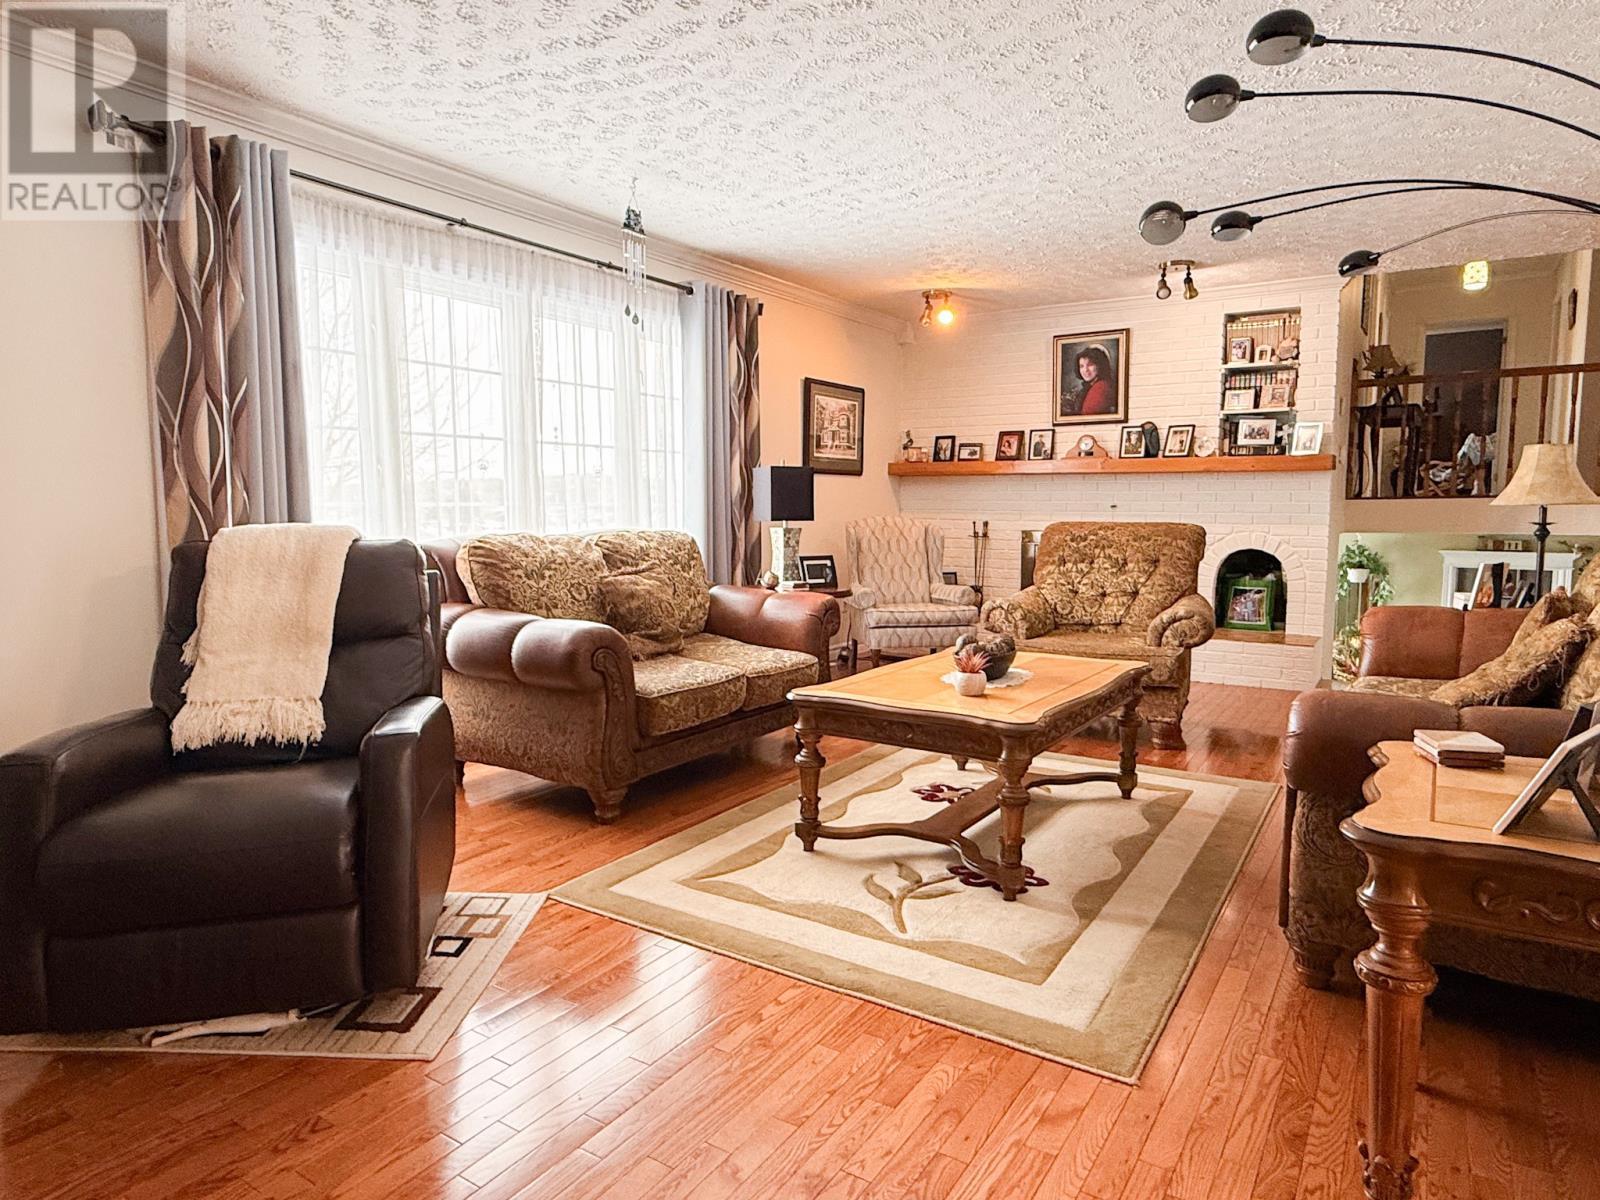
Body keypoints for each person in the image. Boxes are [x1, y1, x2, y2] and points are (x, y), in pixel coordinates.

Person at [1073, 345, 1118, 415]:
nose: (1085, 370)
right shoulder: (1090, 386)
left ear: (1100, 365)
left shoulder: (1101, 387)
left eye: (1090, 365)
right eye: (1081, 366)